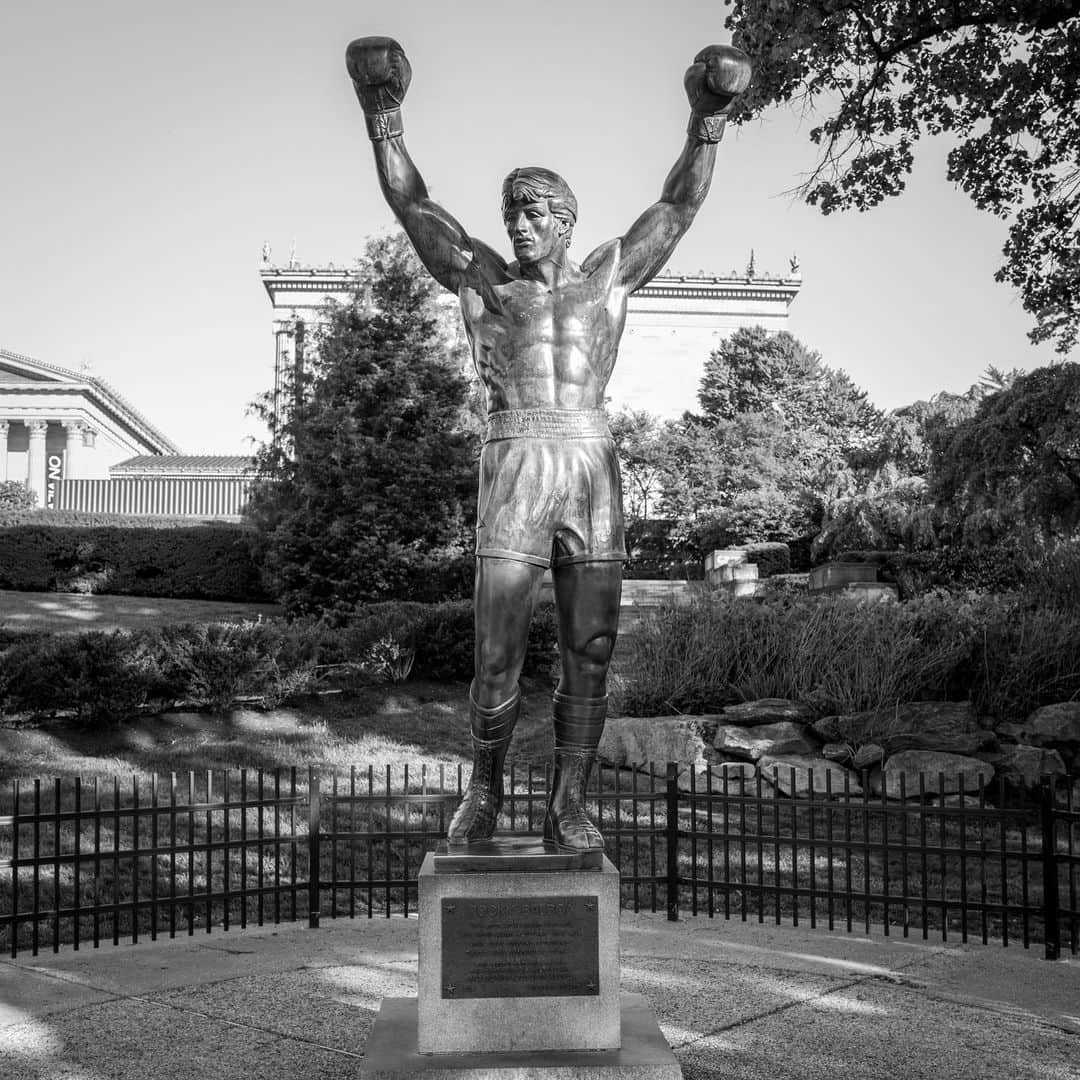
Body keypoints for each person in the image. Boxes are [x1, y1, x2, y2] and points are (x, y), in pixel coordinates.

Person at [346, 36, 751, 851]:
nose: (520, 228)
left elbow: (676, 208)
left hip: (591, 464)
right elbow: (413, 205)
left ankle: (567, 803)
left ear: (566, 223)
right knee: (494, 649)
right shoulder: (484, 279)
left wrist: (706, 121)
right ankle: (485, 791)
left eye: (535, 215)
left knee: (590, 649)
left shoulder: (609, 277)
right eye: (513, 216)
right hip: (518, 457)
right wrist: (382, 114)